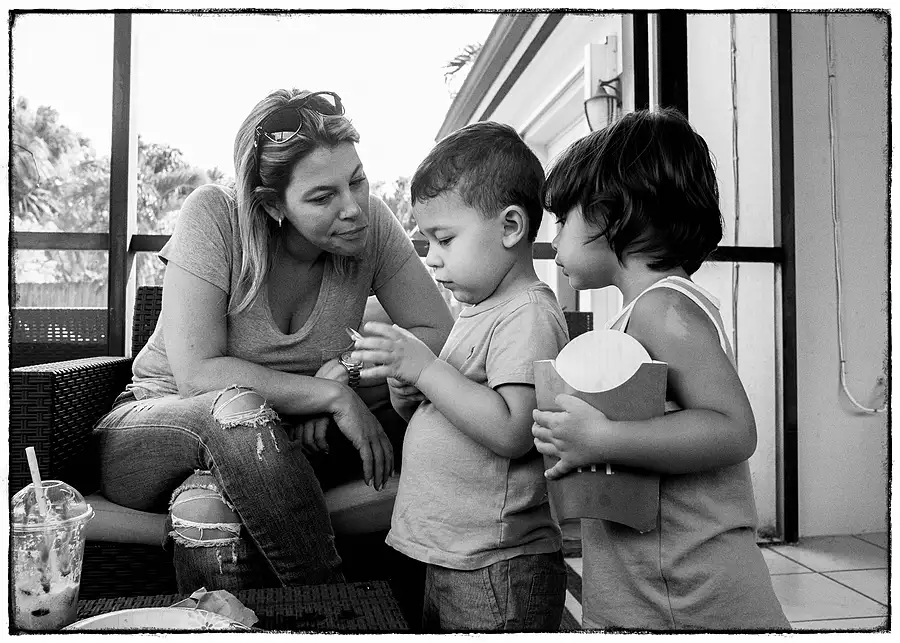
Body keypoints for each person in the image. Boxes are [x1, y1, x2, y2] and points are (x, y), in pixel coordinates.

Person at [93, 88, 454, 592]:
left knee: (206, 508)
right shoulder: (215, 216)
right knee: (237, 409)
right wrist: (329, 395)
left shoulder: (371, 230)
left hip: (278, 453)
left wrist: (348, 366)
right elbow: (198, 374)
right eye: (323, 197)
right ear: (272, 204)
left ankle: (228, 624)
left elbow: (438, 334)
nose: (354, 208)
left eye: (356, 180)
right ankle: (330, 608)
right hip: (156, 429)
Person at [531, 108, 790, 631]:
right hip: (656, 582)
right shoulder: (640, 312)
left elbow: (733, 429)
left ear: (609, 215)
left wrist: (601, 439)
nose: (554, 240)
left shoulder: (661, 307)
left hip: (688, 589)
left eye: (562, 220)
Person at [350, 121, 570, 632]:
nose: (431, 258)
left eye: (444, 239)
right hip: (448, 554)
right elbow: (447, 410)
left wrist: (427, 370)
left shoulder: (527, 314)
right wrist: (408, 390)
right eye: (427, 240)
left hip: (498, 565)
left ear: (510, 227)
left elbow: (513, 430)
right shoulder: (476, 311)